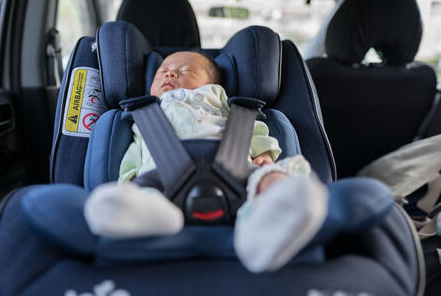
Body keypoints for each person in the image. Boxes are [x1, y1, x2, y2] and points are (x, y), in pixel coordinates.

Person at [84, 51, 394, 273]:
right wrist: (130, 181)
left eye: (184, 70)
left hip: (240, 169)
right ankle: (147, 214)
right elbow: (134, 154)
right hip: (158, 174)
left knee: (275, 179)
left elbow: (259, 136)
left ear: (213, 85)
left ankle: (260, 227)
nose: (170, 73)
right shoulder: (143, 115)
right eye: (163, 70)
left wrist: (267, 158)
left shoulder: (234, 110)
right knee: (134, 192)